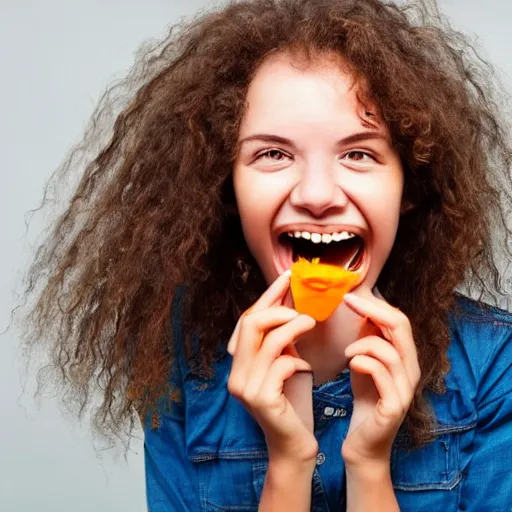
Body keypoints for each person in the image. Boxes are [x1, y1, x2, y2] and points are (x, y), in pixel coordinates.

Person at [16, 0, 512, 510]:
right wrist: (289, 460)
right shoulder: (179, 360)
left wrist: (368, 463)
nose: (317, 195)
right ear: (225, 188)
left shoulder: (498, 364)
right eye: (273, 154)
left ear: (411, 184)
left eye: (359, 153)